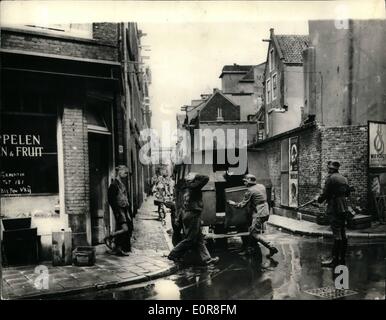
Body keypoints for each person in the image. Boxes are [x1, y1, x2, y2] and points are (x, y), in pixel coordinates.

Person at [167, 172, 219, 266]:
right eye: (191, 176)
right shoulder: (194, 187)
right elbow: (205, 177)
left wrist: (179, 218)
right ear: (191, 180)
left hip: (188, 214)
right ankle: (173, 254)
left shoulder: (185, 188)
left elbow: (181, 205)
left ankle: (207, 259)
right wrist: (196, 175)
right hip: (193, 215)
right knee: (190, 239)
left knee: (199, 239)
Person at [228, 174, 278, 257]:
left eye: (245, 181)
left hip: (259, 212)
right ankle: (250, 250)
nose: (244, 183)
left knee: (254, 233)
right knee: (253, 231)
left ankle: (271, 246)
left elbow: (242, 205)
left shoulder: (250, 191)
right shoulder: (261, 186)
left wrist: (233, 203)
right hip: (265, 211)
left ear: (249, 181)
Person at [316, 160, 351, 267]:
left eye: (329, 169)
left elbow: (325, 194)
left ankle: (334, 261)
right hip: (344, 207)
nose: (328, 170)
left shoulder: (330, 179)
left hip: (335, 207)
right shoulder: (344, 178)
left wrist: (319, 199)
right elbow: (348, 193)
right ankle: (342, 258)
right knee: (342, 232)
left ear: (331, 169)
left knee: (337, 234)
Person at [105, 165, 133, 256]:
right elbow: (111, 200)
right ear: (119, 172)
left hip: (124, 210)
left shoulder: (121, 184)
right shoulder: (114, 185)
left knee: (125, 228)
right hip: (120, 211)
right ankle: (110, 236)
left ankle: (118, 249)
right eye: (125, 173)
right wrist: (116, 212)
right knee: (125, 229)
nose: (126, 175)